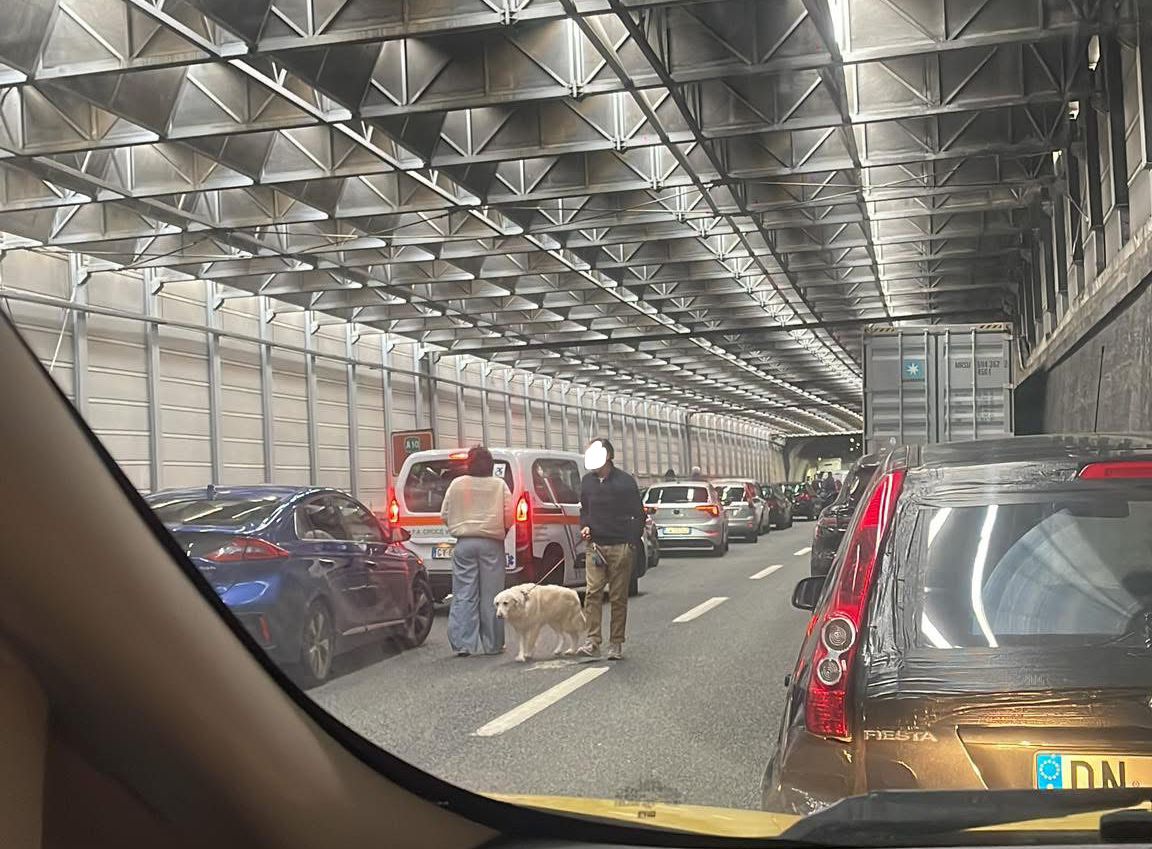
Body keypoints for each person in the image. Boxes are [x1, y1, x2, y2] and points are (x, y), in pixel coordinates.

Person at [441, 446, 514, 657]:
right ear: (491, 465)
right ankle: (493, 645)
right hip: (491, 543)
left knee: (463, 594)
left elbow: (444, 513)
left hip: (464, 543)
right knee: (492, 595)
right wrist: (503, 530)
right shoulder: (499, 485)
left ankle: (463, 644)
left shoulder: (457, 484)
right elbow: (509, 515)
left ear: (468, 465)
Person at [576, 437, 644, 661]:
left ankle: (616, 642)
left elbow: (638, 514)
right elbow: (584, 510)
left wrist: (631, 543)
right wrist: (584, 526)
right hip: (595, 546)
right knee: (593, 593)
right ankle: (592, 640)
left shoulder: (625, 482)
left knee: (617, 596)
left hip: (620, 545)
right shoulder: (587, 482)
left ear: (608, 456)